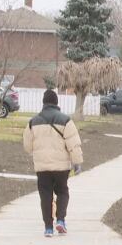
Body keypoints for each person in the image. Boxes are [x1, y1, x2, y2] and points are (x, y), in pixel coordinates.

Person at [23, 89, 83, 237]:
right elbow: (73, 144)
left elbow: (27, 147)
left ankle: (48, 228)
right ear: (57, 102)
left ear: (43, 102)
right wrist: (77, 162)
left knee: (45, 195)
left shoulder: (33, 122)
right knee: (62, 191)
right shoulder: (66, 120)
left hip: (42, 167)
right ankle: (61, 220)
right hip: (61, 167)